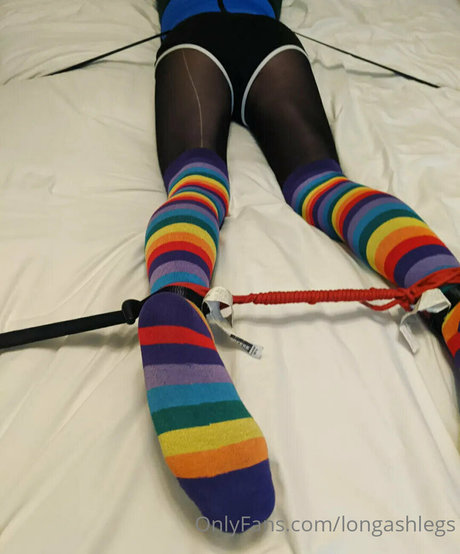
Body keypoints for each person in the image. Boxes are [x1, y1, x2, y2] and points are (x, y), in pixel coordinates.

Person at [137, 0, 460, 532]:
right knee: (322, 186)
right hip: (270, 43)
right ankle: (451, 295)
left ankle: (178, 297)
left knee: (197, 184)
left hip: (194, 40)